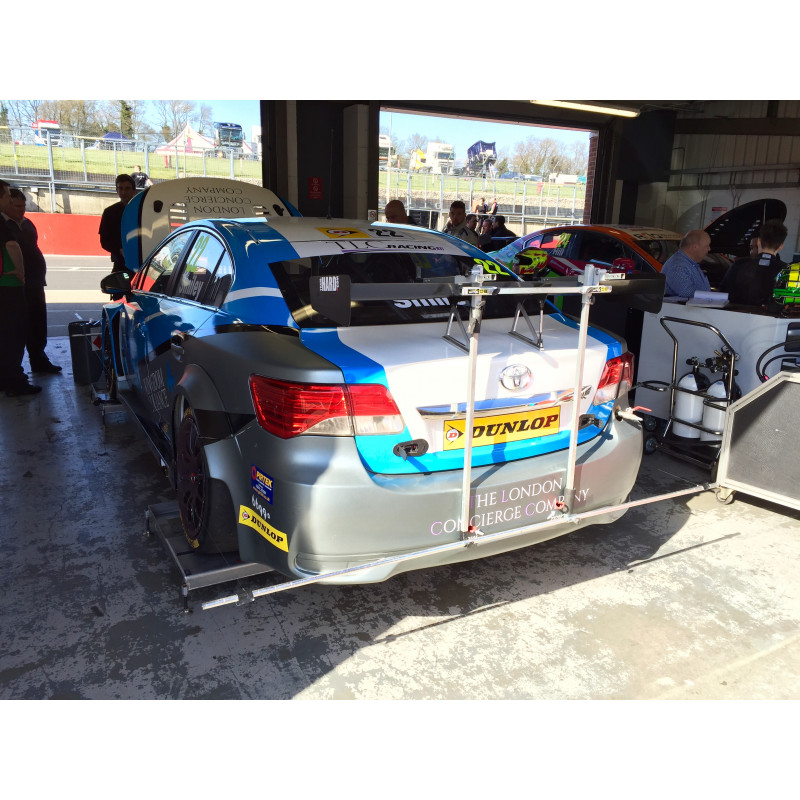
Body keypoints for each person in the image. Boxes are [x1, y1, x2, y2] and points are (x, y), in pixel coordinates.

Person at [4, 189, 61, 374]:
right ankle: (13, 370)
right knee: (18, 326)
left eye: (23, 206)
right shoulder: (4, 225)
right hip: (16, 283)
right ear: (8, 204)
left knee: (38, 322)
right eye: (17, 206)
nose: (21, 210)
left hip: (36, 282)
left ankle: (39, 359)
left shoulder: (27, 223)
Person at [0, 180, 41, 396]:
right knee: (13, 334)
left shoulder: (26, 223)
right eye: (7, 195)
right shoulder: (2, 223)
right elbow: (11, 245)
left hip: (15, 284)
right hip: (10, 286)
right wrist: (19, 270)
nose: (9, 199)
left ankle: (8, 377)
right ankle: (14, 381)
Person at [719, 219, 788, 306]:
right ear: (781, 246)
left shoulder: (738, 264)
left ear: (758, 242)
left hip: (736, 313)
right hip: (770, 315)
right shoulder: (787, 271)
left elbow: (722, 294)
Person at [99, 174, 137, 274]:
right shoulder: (109, 212)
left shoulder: (142, 210)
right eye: (120, 188)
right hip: (120, 263)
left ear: (134, 191)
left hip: (143, 263)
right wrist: (120, 250)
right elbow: (104, 241)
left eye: (127, 188)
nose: (124, 192)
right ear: (117, 190)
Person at [661, 229, 711, 298]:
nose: (709, 249)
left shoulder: (691, 263)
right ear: (695, 247)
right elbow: (690, 294)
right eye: (706, 246)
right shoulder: (677, 266)